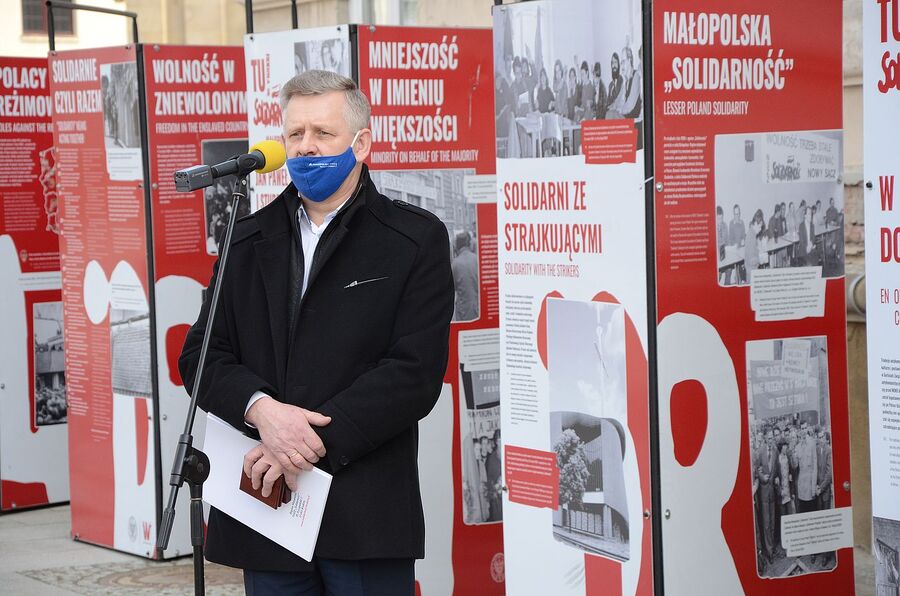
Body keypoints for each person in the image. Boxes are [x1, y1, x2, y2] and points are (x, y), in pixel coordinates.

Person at [179, 70, 454, 594]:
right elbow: (201, 355)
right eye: (295, 134)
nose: (306, 148)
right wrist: (261, 409)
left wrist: (302, 443)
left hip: (363, 512)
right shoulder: (246, 238)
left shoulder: (413, 240)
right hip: (267, 509)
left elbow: (414, 373)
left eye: (322, 134)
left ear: (361, 143)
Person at [755, 430, 778, 564]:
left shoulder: (774, 451)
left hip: (772, 493)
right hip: (763, 492)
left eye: (772, 438)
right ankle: (769, 552)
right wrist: (762, 477)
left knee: (773, 521)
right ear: (765, 439)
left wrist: (775, 479)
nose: (771, 440)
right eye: (769, 438)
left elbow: (775, 469)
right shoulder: (760, 452)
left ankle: (772, 548)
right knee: (766, 524)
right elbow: (757, 469)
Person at [452, 231, 479, 321]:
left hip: (463, 312)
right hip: (479, 309)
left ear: (456, 246)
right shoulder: (477, 260)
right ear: (469, 244)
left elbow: (452, 288)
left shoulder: (455, 264)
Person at [795, 423, 818, 513]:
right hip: (801, 487)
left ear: (807, 429)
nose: (803, 430)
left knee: (811, 511)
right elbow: (795, 466)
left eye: (805, 428)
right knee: (803, 512)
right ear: (800, 430)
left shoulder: (812, 444)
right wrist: (793, 455)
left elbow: (814, 467)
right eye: (802, 428)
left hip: (810, 486)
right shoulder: (797, 447)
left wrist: (813, 488)